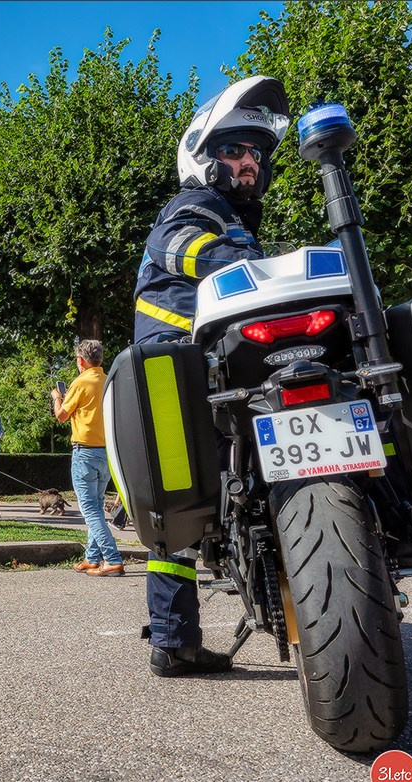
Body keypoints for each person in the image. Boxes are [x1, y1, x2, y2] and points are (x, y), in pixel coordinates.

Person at [133, 75, 290, 677]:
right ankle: (175, 640)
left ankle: (176, 641)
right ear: (202, 158)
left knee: (185, 512)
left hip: (215, 365)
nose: (248, 160)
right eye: (233, 149)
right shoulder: (196, 206)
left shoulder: (236, 218)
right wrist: (258, 267)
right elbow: (177, 246)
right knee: (180, 511)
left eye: (255, 152)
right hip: (186, 360)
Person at [52, 339, 124, 580]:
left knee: (89, 509)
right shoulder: (109, 380)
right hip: (107, 453)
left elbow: (61, 416)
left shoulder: (80, 383)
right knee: (97, 504)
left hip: (85, 452)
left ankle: (112, 559)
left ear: (81, 360)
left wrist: (56, 397)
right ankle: (92, 558)